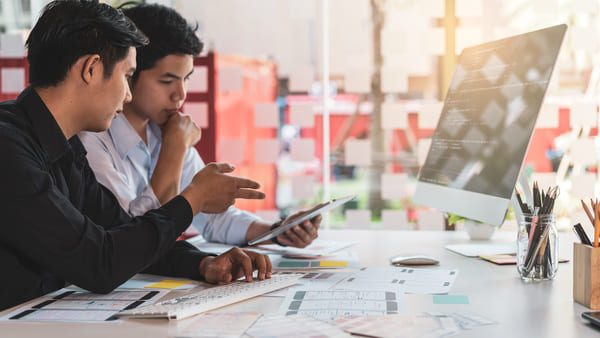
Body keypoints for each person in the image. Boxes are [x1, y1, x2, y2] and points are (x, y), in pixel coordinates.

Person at [0, 0, 271, 311]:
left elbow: (120, 232)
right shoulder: (8, 147)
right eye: (127, 76)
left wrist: (204, 263)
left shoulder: (64, 144)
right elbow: (98, 263)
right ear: (91, 69)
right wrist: (192, 199)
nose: (127, 95)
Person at [79, 3, 321, 248]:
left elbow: (214, 219)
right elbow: (136, 236)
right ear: (128, 72)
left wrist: (278, 231)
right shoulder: (91, 140)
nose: (180, 95)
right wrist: (173, 150)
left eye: (186, 79)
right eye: (167, 81)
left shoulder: (165, 131)